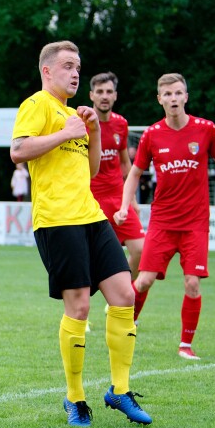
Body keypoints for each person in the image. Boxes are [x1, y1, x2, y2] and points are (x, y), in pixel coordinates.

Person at [11, 41, 151, 427]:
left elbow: (90, 171)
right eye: (68, 66)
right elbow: (18, 151)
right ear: (47, 72)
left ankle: (119, 391)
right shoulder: (37, 105)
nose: (76, 73)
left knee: (124, 294)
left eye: (78, 67)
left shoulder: (75, 114)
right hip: (56, 220)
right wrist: (65, 131)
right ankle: (75, 399)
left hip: (90, 216)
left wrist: (91, 130)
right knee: (79, 308)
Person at [115, 73, 215, 361]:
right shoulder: (152, 135)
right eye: (167, 95)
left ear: (186, 97)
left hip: (195, 223)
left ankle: (185, 346)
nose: (173, 99)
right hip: (162, 222)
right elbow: (134, 173)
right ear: (160, 99)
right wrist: (124, 205)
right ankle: (125, 326)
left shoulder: (206, 130)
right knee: (143, 281)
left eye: (178, 93)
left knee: (192, 282)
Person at [89, 72, 145, 278]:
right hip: (91, 199)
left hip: (118, 198)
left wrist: (133, 201)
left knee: (141, 251)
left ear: (115, 96)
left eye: (109, 92)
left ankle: (120, 296)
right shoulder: (82, 124)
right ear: (91, 95)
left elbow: (124, 163)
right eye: (100, 91)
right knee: (92, 257)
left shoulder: (121, 124)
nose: (104, 96)